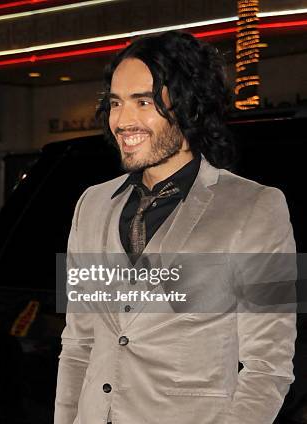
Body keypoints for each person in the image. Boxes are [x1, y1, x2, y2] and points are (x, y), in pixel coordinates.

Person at [54, 31, 296, 424]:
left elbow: (269, 367)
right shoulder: (91, 205)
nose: (123, 120)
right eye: (116, 103)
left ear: (189, 107)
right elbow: (78, 344)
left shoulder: (257, 207)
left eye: (143, 102)